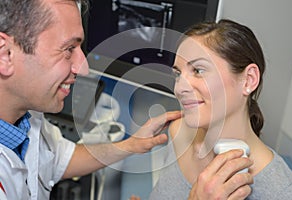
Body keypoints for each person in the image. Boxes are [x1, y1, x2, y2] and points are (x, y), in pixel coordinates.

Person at [0, 0, 182, 199]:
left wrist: (131, 145)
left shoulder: (27, 115)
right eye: (69, 49)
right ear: (5, 55)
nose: (84, 68)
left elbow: (57, 158)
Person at [147, 19, 292, 199]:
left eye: (198, 70)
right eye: (178, 74)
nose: (179, 88)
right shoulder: (178, 132)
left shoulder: (283, 193)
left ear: (249, 80)